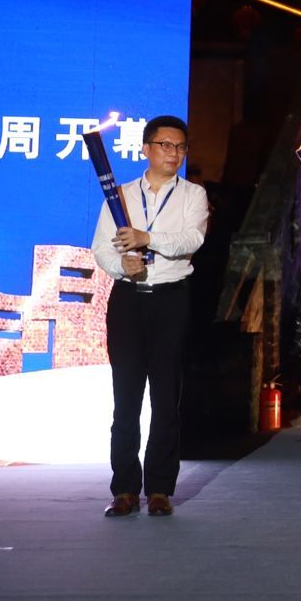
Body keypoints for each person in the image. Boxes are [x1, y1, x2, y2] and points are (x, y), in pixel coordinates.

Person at [92, 114, 210, 518]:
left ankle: (159, 489)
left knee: (165, 398)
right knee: (125, 398)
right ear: (146, 148)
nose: (173, 153)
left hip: (171, 300)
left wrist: (147, 239)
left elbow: (192, 238)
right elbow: (101, 248)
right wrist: (122, 266)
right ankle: (124, 489)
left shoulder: (193, 195)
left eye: (180, 147)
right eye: (165, 145)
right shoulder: (121, 195)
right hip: (128, 301)